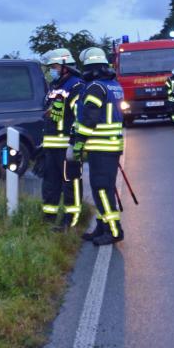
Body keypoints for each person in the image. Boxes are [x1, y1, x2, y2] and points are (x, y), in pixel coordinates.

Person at [72, 47, 126, 246]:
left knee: (102, 189)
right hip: (108, 146)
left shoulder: (95, 87)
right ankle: (102, 227)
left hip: (102, 147)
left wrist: (79, 142)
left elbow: (90, 117)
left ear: (90, 68)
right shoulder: (112, 85)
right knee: (101, 189)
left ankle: (113, 230)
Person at [40, 48, 84, 231]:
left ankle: (70, 221)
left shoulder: (76, 86)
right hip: (51, 144)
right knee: (50, 182)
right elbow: (51, 113)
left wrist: (74, 144)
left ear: (65, 66)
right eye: (50, 67)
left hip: (66, 144)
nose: (51, 70)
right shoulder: (55, 87)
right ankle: (48, 217)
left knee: (70, 183)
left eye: (54, 66)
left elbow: (79, 117)